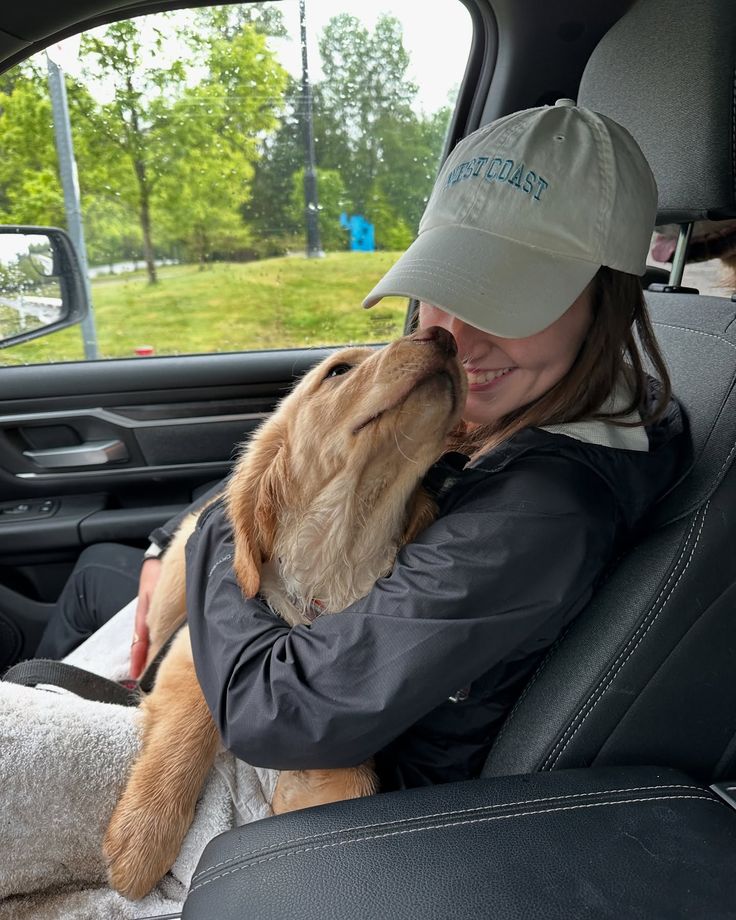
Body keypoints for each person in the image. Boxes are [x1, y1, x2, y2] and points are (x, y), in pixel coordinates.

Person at [177, 100, 692, 790]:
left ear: (610, 303)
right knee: (96, 581)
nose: (455, 338)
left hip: (353, 807)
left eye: (510, 299)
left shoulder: (541, 511)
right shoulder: (526, 401)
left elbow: (276, 712)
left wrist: (216, 531)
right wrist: (171, 545)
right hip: (283, 669)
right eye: (441, 287)